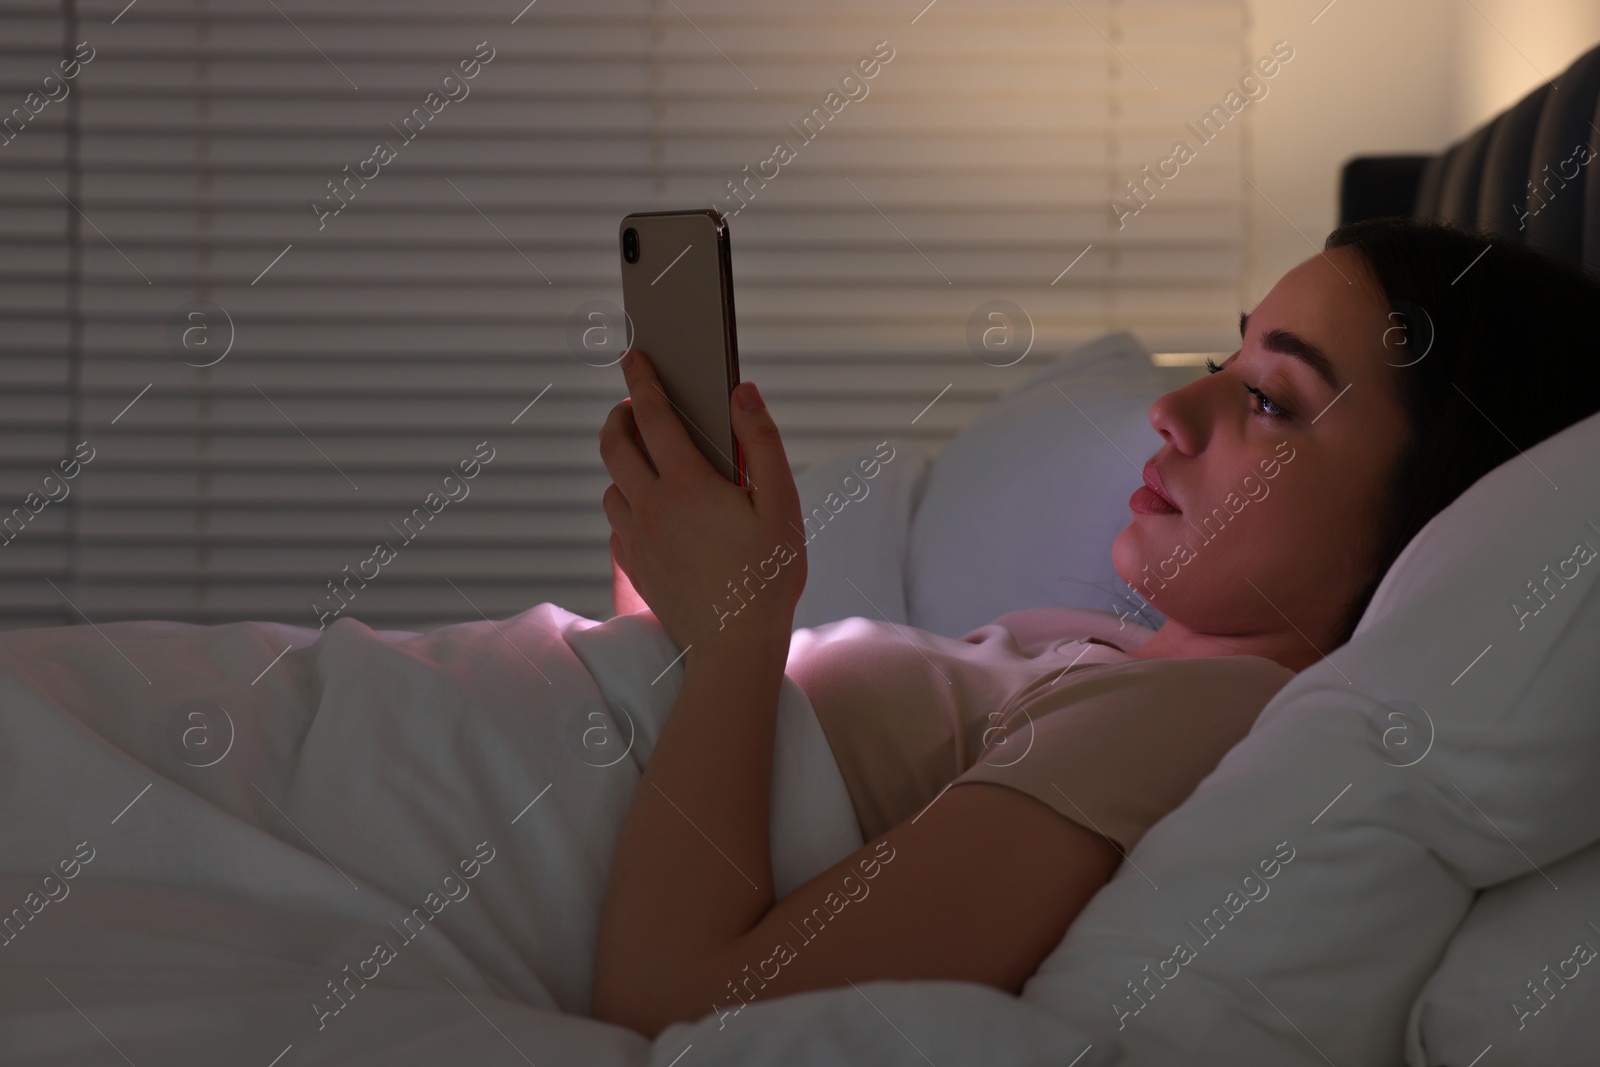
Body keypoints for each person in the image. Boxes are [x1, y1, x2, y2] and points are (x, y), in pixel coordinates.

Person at [588, 217, 1600, 1038]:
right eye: (1222, 356)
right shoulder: (1109, 658)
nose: (1170, 405)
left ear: (1429, 515)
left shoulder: (1188, 716)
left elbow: (677, 1010)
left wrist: (732, 630)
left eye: (1265, 398)